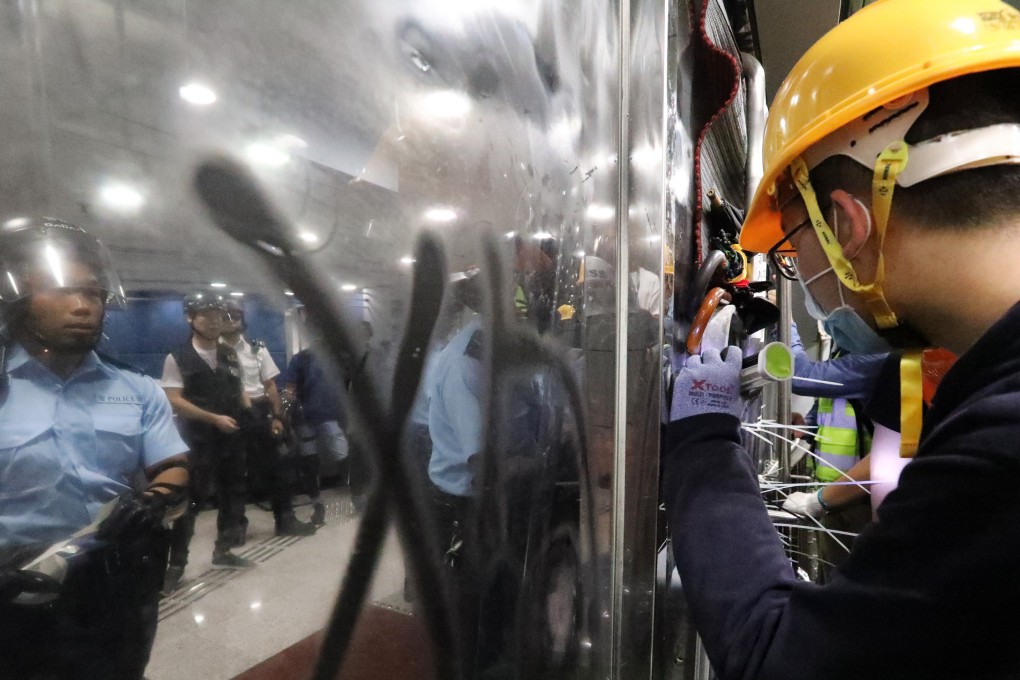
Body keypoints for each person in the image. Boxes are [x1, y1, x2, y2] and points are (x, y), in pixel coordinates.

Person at [664, 2, 1020, 677]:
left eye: (795, 246)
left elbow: (780, 657)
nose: (806, 270)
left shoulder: (1000, 448)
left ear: (845, 225)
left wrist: (702, 448)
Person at [0, 218, 190, 679]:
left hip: (115, 584)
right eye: (65, 291)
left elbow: (174, 467)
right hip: (13, 590)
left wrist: (154, 499)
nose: (84, 306)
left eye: (94, 293)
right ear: (20, 297)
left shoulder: (136, 388)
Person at [161, 292, 254, 590]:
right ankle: (176, 566)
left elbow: (239, 387)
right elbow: (174, 399)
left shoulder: (229, 353)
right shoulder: (177, 357)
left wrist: (250, 414)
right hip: (198, 439)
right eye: (207, 315)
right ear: (191, 319)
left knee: (233, 494)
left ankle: (223, 551)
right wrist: (213, 418)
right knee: (191, 502)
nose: (215, 322)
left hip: (232, 437)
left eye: (219, 315)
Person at [221, 298, 315, 537]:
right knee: (233, 474)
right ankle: (234, 528)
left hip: (260, 411)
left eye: (236, 315)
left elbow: (270, 385)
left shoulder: (256, 348)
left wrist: (276, 416)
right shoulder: (212, 352)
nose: (232, 320)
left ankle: (286, 520)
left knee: (279, 468)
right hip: (228, 414)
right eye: (226, 316)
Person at [282, 339, 350, 527]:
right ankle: (318, 504)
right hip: (306, 418)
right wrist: (283, 415)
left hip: (329, 416)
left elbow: (348, 387)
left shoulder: (339, 359)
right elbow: (289, 391)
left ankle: (357, 497)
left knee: (342, 455)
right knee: (310, 460)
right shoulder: (302, 359)